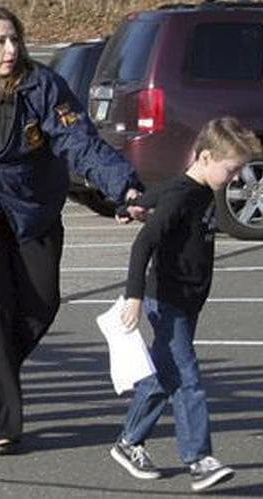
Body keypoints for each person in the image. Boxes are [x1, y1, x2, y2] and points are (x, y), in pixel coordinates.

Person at [0, 5, 142, 454]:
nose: (11, 49)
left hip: (33, 210)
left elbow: (82, 143)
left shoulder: (42, 86)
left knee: (41, 304)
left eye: (15, 39)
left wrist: (125, 188)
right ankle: (2, 423)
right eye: (0, 41)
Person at [111, 117, 260, 492]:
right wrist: (133, 296)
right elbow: (143, 244)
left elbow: (157, 194)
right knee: (187, 380)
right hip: (167, 300)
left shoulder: (194, 188)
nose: (235, 177)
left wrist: (131, 206)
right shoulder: (184, 193)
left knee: (164, 375)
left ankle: (129, 442)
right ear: (207, 157)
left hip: (188, 300)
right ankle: (199, 459)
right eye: (231, 169)